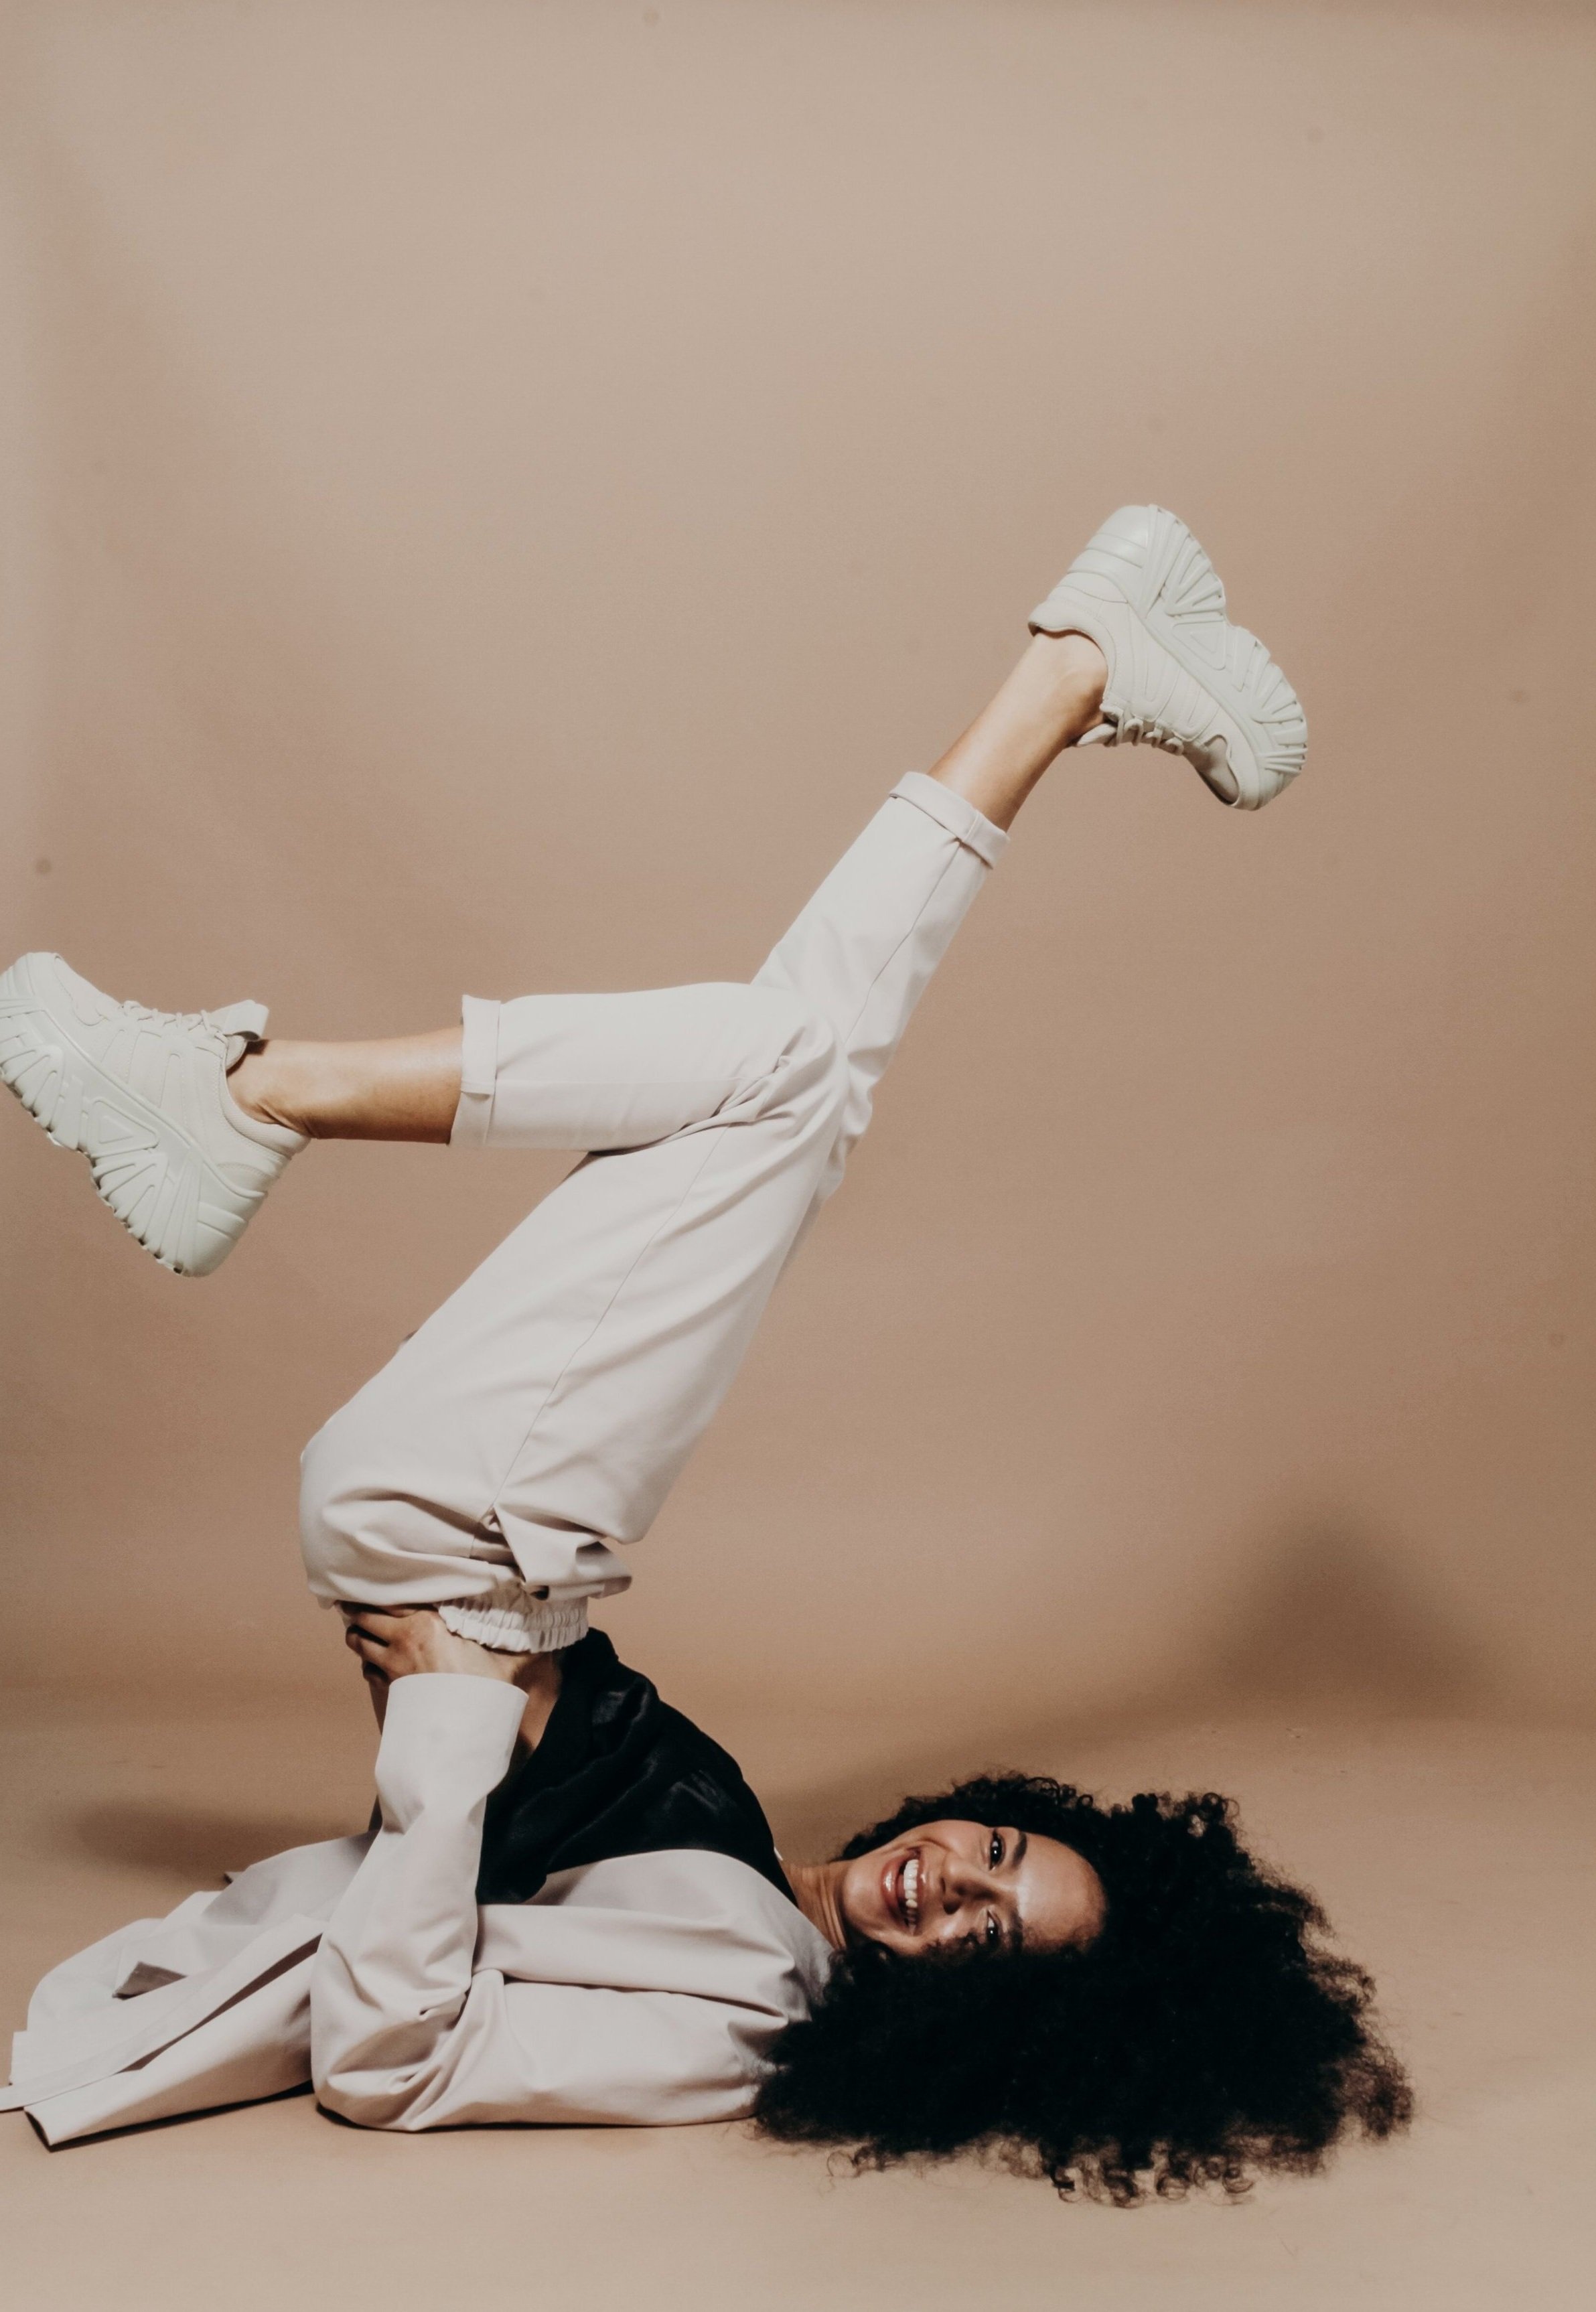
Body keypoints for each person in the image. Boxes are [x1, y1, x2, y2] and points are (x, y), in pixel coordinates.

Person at [0, 506, 1408, 2197]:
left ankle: (248, 1096)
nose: (951, 1880)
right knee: (798, 1058)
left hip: (461, 1544)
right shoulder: (759, 1882)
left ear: (982, 2025)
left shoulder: (753, 2009)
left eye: (989, 1930)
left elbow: (391, 2061)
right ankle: (1071, 670)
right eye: (998, 1848)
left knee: (789, 1077)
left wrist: (448, 1704)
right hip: (484, 1534)